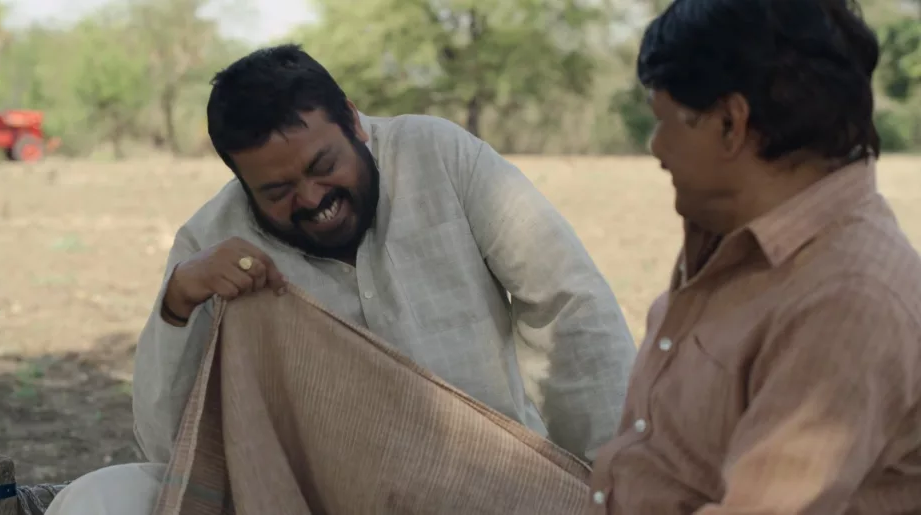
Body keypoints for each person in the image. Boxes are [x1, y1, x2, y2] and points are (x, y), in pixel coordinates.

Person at [43, 44, 635, 514]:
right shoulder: (213, 243)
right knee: (103, 499)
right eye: (276, 191)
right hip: (306, 499)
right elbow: (171, 447)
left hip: (493, 488)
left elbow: (566, 306)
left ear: (354, 122)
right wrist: (178, 301)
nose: (312, 199)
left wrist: (617, 475)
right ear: (240, 182)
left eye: (323, 167)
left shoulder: (441, 158)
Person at [584, 1, 921, 514]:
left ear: (729, 124)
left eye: (665, 121)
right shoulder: (732, 232)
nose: (656, 148)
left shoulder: (847, 300)